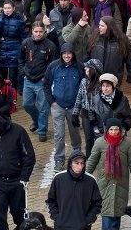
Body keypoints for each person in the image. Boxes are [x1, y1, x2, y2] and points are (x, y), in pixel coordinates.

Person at [0, 110, 35, 230]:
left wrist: (24, 178)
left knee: (19, 215)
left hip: (16, 181)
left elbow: (29, 156)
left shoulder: (18, 131)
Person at [85, 117, 131, 230]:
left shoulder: (127, 143)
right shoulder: (100, 143)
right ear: (107, 130)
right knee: (106, 214)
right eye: (111, 129)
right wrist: (84, 176)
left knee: (117, 213)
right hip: (104, 184)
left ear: (120, 130)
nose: (114, 132)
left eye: (116, 129)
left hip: (121, 184)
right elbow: (92, 161)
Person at [43, 42, 83, 171]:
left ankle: (77, 155)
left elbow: (84, 86)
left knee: (75, 133)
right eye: (64, 53)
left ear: (73, 54)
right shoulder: (53, 66)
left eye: (69, 53)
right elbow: (46, 85)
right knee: (59, 134)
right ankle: (59, 159)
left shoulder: (79, 67)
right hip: (58, 106)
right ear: (61, 54)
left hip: (74, 107)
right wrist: (52, 102)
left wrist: (80, 103)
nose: (67, 56)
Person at [46, 150, 102, 230]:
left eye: (82, 163)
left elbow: (97, 203)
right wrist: (57, 218)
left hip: (82, 227)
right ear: (70, 163)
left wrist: (88, 220)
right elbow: (51, 200)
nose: (80, 167)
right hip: (61, 226)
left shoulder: (90, 180)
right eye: (76, 163)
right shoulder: (59, 178)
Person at [19, 24, 56, 142]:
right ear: (32, 31)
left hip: (42, 81)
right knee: (26, 104)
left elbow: (53, 64)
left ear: (44, 32)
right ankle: (36, 121)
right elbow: (20, 59)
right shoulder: (25, 43)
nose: (38, 34)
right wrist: (23, 72)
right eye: (36, 31)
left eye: (41, 31)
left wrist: (46, 78)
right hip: (28, 79)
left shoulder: (50, 45)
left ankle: (42, 131)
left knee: (43, 108)